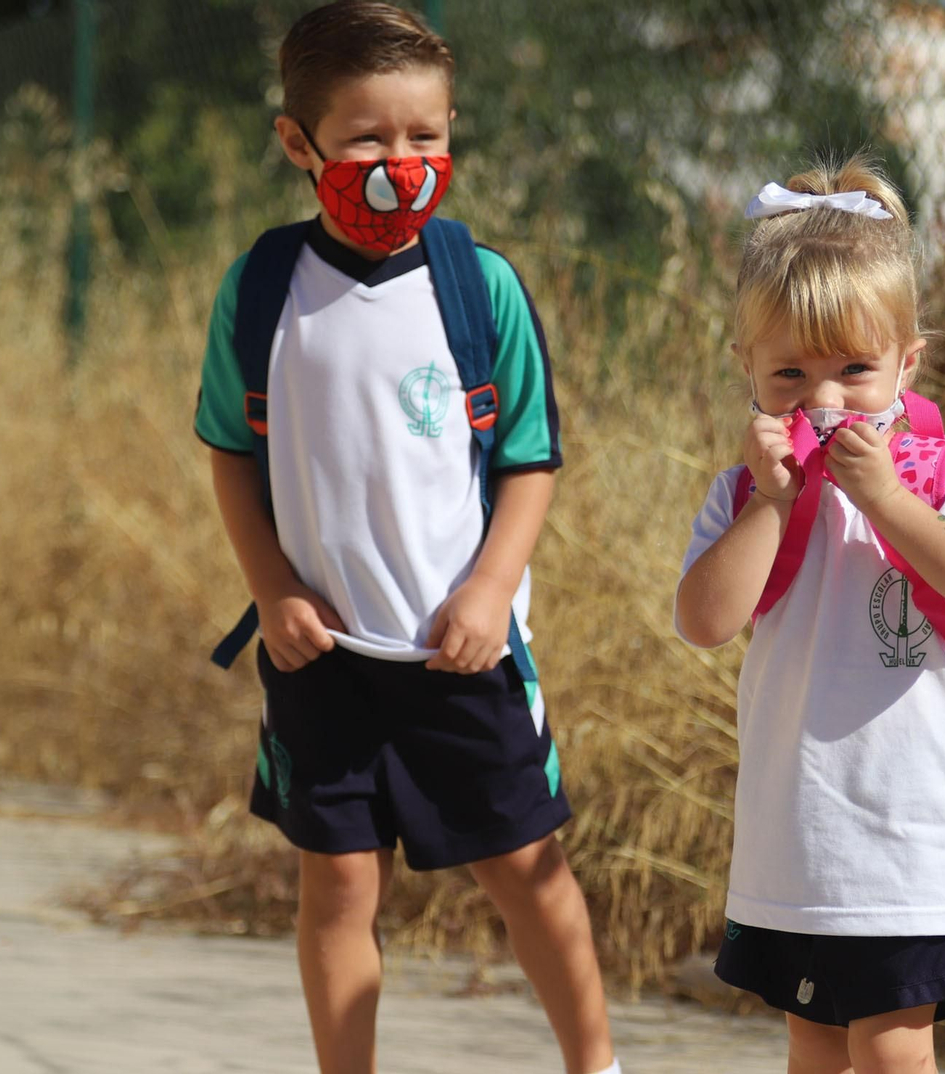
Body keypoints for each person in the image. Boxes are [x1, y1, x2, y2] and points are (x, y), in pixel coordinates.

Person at [194, 4, 618, 1071]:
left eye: (425, 137)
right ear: (301, 145)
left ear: (452, 131)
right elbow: (232, 457)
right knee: (336, 883)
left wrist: (487, 593)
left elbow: (529, 462)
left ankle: (597, 1064)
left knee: (528, 870)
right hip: (320, 658)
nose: (401, 163)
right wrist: (275, 591)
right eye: (368, 139)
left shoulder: (483, 290)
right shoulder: (261, 293)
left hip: (460, 655)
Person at [673, 154, 945, 1074]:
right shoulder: (748, 493)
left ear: (909, 363)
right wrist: (770, 504)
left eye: (855, 371)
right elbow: (705, 620)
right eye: (789, 373)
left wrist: (890, 503)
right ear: (745, 367)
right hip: (798, 846)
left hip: (916, 848)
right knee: (816, 1051)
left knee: (893, 1055)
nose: (823, 400)